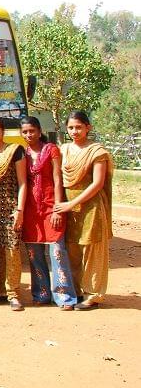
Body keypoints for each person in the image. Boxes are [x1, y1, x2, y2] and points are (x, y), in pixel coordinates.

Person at [55, 111, 113, 311]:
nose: (74, 131)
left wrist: (71, 204)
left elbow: (97, 184)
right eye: (70, 127)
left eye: (79, 127)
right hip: (68, 207)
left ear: (88, 127)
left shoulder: (97, 152)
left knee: (91, 250)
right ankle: (77, 291)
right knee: (72, 250)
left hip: (91, 207)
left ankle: (93, 295)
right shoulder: (63, 150)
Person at [20, 116, 77, 310]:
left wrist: (58, 208)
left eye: (32, 131)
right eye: (25, 132)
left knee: (57, 252)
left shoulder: (51, 149)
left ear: (39, 131)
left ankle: (64, 296)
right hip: (30, 210)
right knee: (34, 254)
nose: (29, 135)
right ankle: (41, 293)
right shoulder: (23, 153)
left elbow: (57, 178)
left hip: (51, 205)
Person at [0, 114, 27, 311]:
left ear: (3, 131)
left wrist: (20, 209)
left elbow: (23, 182)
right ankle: (2, 290)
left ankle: (14, 293)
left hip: (10, 207)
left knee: (12, 250)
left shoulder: (15, 151)